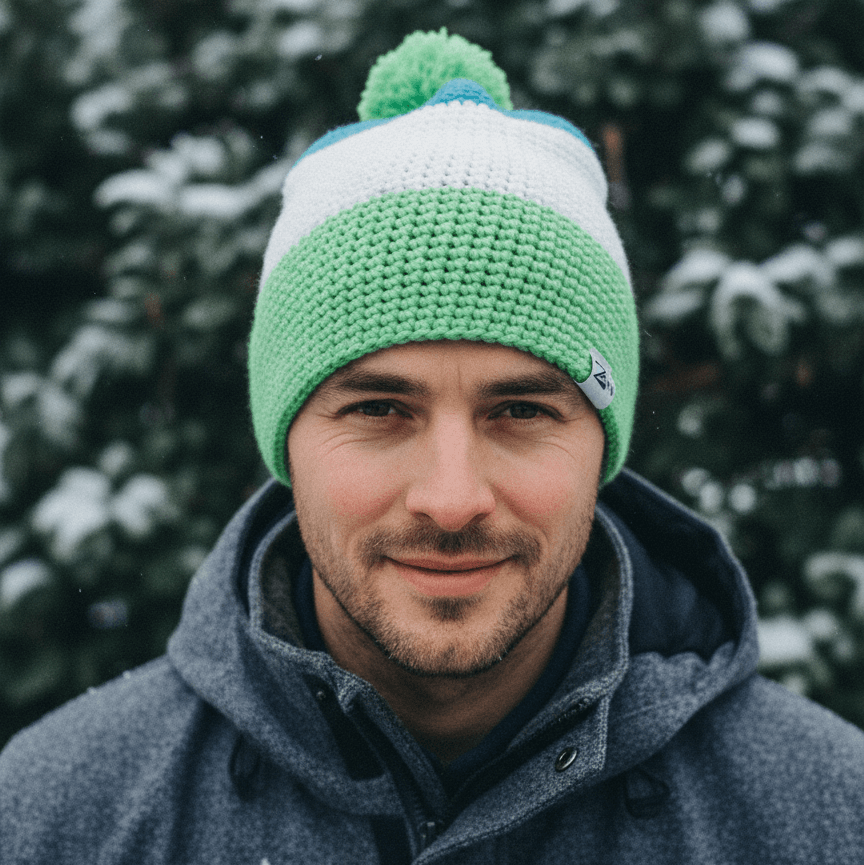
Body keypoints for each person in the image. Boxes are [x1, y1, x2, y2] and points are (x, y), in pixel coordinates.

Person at [1, 29, 862, 865]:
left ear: (602, 442)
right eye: (379, 408)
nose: (452, 500)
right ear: (284, 438)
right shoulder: (51, 818)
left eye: (520, 410)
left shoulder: (828, 815)